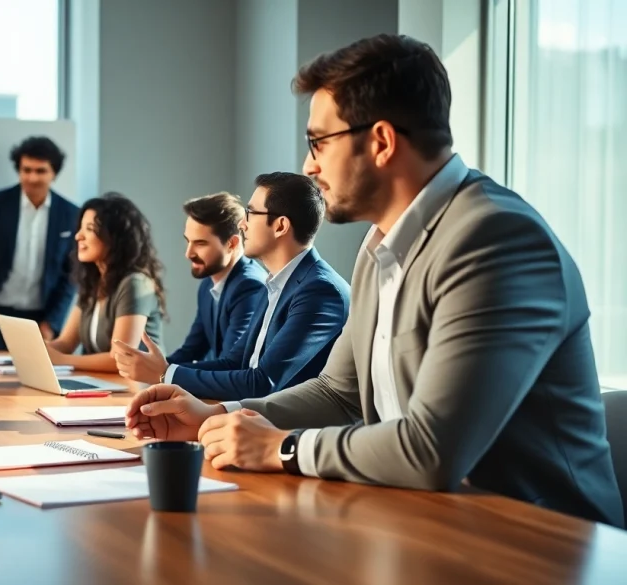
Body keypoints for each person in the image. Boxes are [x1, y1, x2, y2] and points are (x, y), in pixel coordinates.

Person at [125, 34, 624, 527]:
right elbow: (338, 393)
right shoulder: (379, 246)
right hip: (423, 522)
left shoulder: (496, 241)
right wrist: (218, 414)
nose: (309, 165)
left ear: (382, 142)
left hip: (538, 544)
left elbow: (432, 448)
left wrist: (284, 447)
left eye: (319, 142)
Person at [114, 173, 350, 401]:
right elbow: (235, 362)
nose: (242, 224)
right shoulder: (276, 282)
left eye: (250, 213)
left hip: (293, 434)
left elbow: (263, 383)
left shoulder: (319, 291)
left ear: (280, 226)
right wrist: (162, 369)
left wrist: (166, 374)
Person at [0, 136, 79, 351]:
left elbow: (70, 276)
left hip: (40, 320)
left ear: (54, 173)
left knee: (37, 382)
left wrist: (52, 322)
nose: (32, 178)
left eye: (40, 171)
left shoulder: (70, 213)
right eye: (26, 170)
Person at [46, 193, 165, 372]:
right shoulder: (93, 282)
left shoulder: (135, 284)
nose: (78, 236)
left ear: (115, 238)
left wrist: (62, 360)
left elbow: (121, 359)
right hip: (104, 385)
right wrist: (35, 351)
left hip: (139, 390)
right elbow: (66, 343)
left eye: (90, 229)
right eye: (80, 228)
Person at [163, 192, 266, 364]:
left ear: (232, 244)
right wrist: (156, 366)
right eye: (188, 241)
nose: (188, 253)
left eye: (200, 243)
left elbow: (231, 363)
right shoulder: (207, 284)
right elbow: (192, 350)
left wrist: (164, 373)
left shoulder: (250, 287)